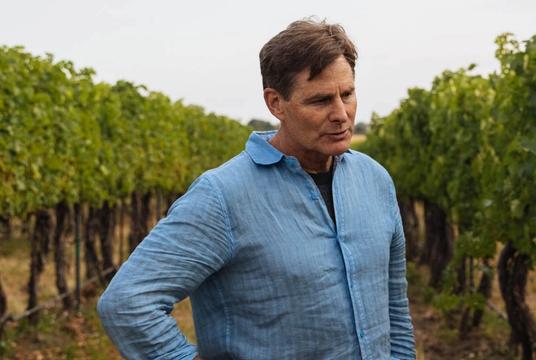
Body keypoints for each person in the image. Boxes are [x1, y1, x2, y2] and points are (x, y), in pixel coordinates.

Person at [97, 18, 416, 360]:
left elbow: (394, 307)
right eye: (320, 100)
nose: (341, 114)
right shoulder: (222, 196)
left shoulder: (375, 180)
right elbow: (127, 303)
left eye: (348, 94)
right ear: (276, 103)